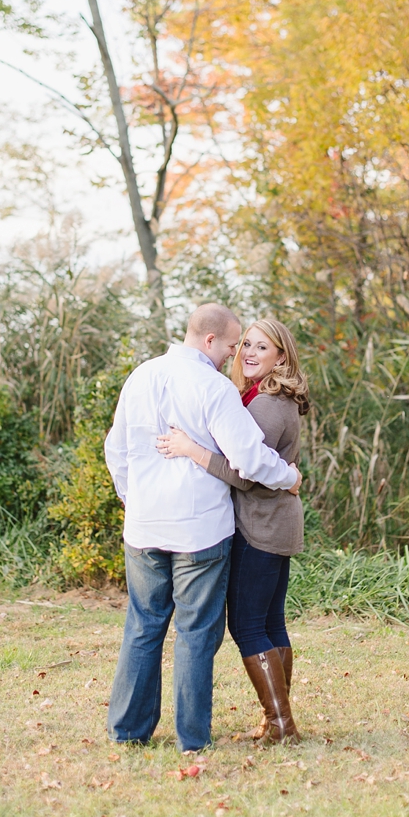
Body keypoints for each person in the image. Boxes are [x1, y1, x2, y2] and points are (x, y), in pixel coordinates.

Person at [104, 303, 302, 754]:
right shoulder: (214, 388)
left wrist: (131, 498)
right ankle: (192, 739)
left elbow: (115, 448)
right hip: (200, 533)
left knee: (143, 625)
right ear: (211, 341)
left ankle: (128, 731)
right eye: (235, 344)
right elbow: (250, 461)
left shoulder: (141, 376)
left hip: (144, 526)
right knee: (196, 633)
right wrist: (290, 477)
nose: (236, 353)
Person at [157, 318, 309, 745]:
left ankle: (281, 725)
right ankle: (278, 721)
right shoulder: (273, 397)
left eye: (263, 347)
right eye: (246, 345)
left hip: (261, 525)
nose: (249, 353)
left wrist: (191, 449)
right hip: (276, 520)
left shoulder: (264, 403)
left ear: (282, 355)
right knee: (270, 622)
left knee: (247, 626)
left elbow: (245, 474)